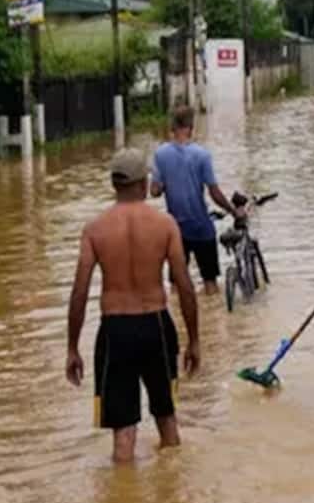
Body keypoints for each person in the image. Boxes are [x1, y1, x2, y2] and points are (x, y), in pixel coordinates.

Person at [69, 148, 202, 463]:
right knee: (167, 419)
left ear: (114, 185)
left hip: (115, 330)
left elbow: (79, 292)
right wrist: (194, 340)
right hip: (155, 324)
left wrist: (72, 347)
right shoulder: (165, 225)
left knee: (123, 433)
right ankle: (173, 497)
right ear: (144, 184)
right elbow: (184, 286)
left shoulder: (94, 229)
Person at [150, 106, 237, 293]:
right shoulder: (202, 155)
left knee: (175, 286)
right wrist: (233, 210)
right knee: (210, 283)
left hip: (175, 230)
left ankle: (178, 320)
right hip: (201, 228)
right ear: (190, 127)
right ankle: (214, 320)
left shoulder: (161, 154)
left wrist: (165, 182)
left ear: (172, 127)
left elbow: (154, 191)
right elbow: (214, 193)